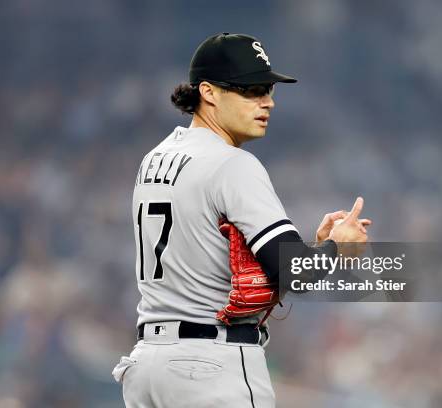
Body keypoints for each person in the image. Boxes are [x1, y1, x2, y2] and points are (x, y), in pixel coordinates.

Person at [113, 33, 370, 408]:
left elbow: (220, 265)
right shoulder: (233, 164)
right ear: (209, 92)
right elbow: (295, 272)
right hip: (211, 368)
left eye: (267, 90)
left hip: (146, 369)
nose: (267, 102)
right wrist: (337, 248)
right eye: (250, 90)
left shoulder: (154, 158)